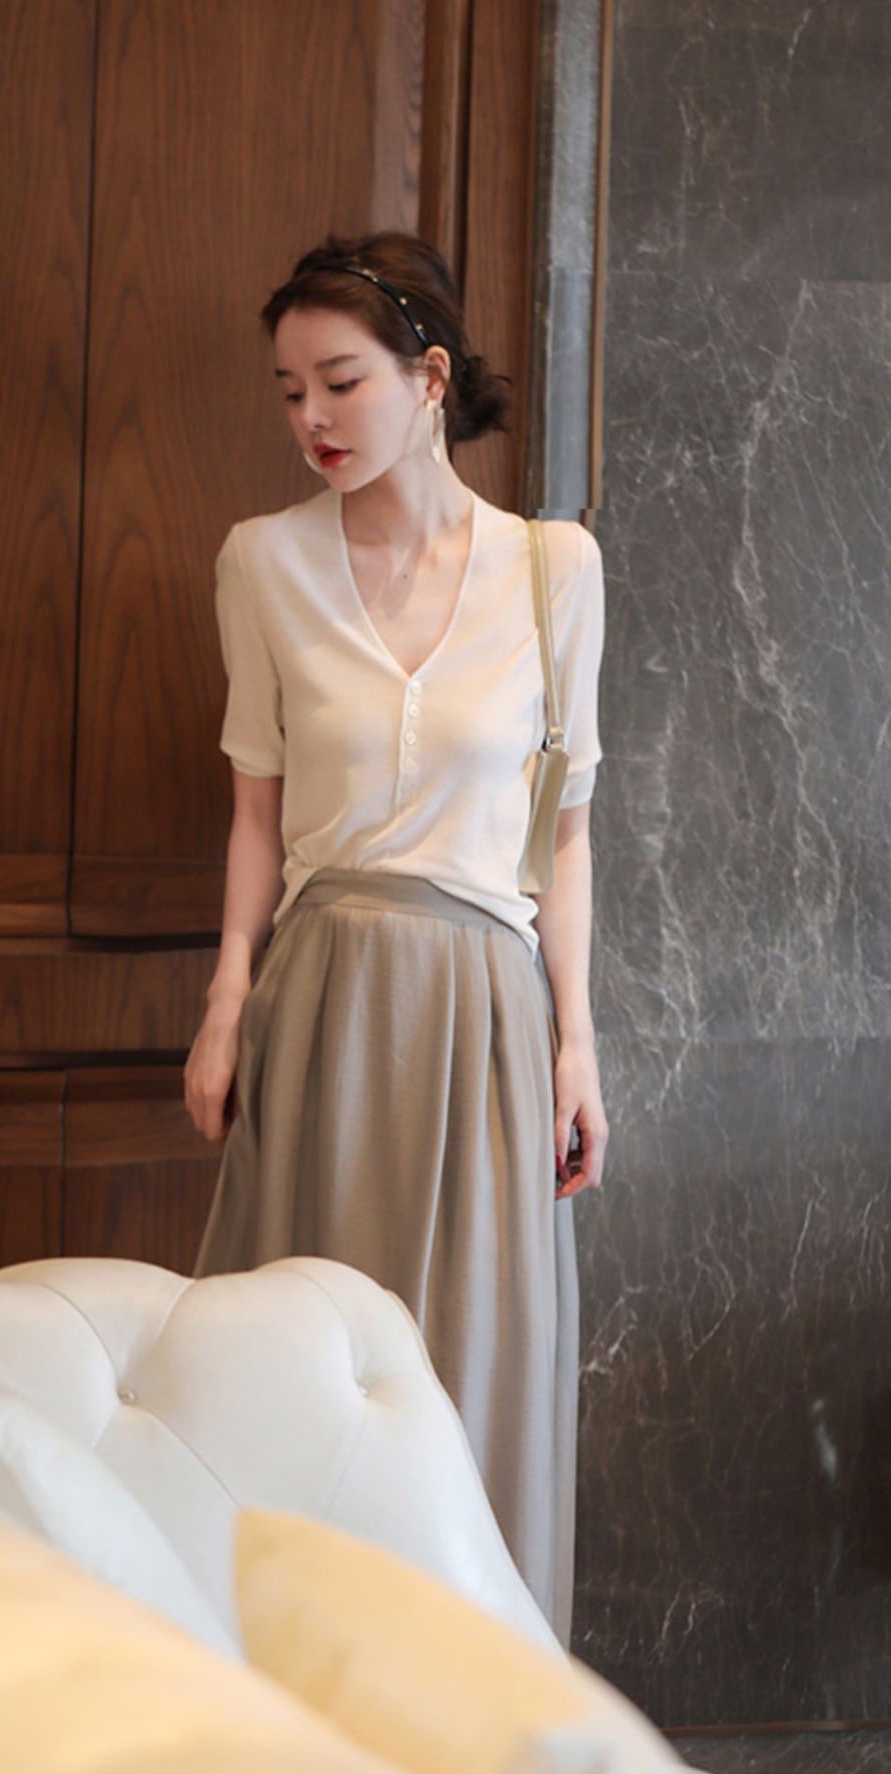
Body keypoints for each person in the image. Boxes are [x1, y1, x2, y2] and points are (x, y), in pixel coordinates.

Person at [184, 230, 607, 1644]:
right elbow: (256, 815)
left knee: (467, 1386)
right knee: (296, 1383)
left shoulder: (554, 571)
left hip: (486, 1015)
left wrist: (576, 1044)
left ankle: (471, 1718)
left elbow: (562, 835)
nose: (310, 417)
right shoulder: (262, 563)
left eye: (340, 381)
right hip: (322, 1004)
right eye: (288, 390)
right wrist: (226, 1001)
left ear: (429, 379)